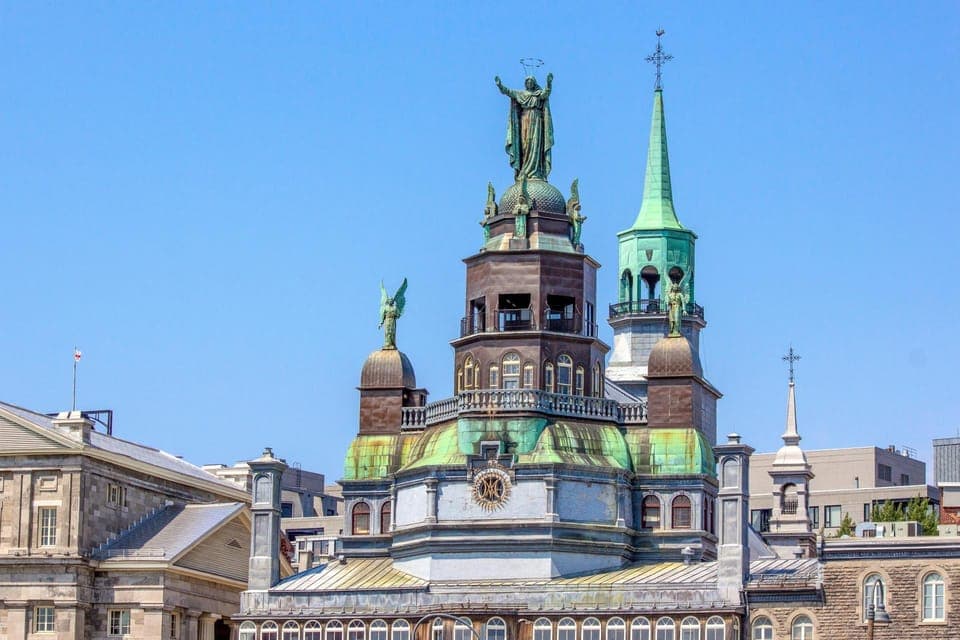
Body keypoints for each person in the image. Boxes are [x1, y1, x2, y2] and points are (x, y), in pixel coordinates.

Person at [495, 73, 554, 180]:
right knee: (525, 145)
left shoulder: (538, 94)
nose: (529, 83)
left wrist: (549, 83)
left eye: (531, 81)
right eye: (528, 82)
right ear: (526, 84)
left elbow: (546, 93)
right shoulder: (521, 94)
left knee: (536, 145)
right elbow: (508, 92)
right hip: (525, 120)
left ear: (534, 83)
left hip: (537, 121)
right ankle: (524, 169)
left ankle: (537, 171)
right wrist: (500, 85)